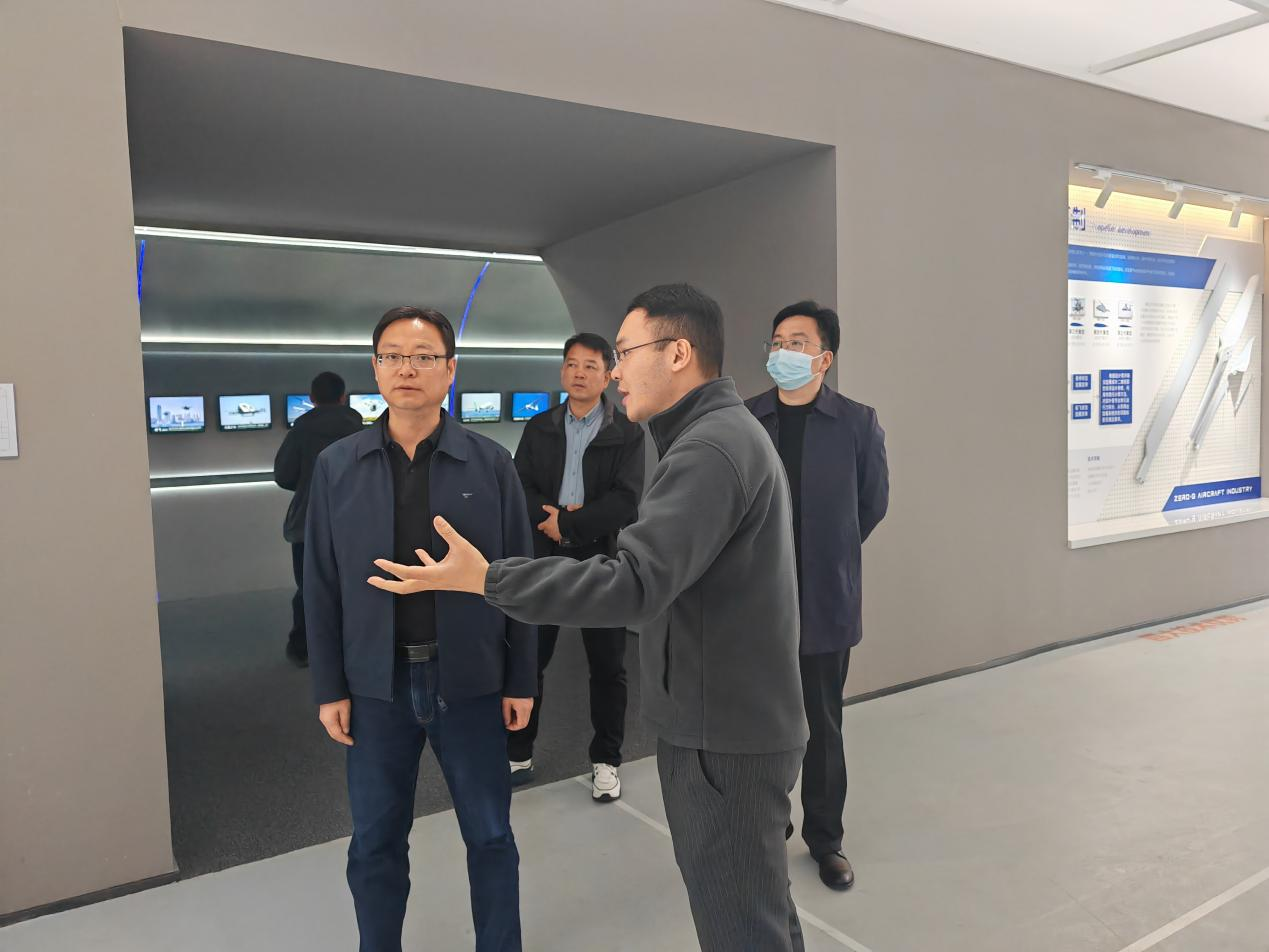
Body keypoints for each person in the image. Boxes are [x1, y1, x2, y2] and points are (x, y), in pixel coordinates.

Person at [370, 284, 810, 952]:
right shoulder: (718, 435)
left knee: (740, 925)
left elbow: (633, 583)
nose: (614, 371)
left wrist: (486, 577)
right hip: (733, 716)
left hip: (722, 732)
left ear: (677, 353)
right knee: (762, 911)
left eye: (624, 353)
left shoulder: (709, 449)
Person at [305, 306, 536, 952]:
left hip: (471, 678)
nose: (407, 368)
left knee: (490, 835)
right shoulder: (337, 466)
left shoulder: (490, 464)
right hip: (374, 685)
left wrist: (522, 678)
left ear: (450, 369)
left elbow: (520, 577)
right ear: (375, 368)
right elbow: (319, 585)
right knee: (375, 841)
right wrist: (329, 686)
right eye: (393, 356)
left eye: (424, 356)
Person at [746, 300, 889, 891]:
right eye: (777, 341)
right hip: (756, 600)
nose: (784, 351)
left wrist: (826, 554)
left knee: (823, 725)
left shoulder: (856, 422)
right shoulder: (748, 419)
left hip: (826, 599)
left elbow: (871, 504)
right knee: (760, 723)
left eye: (798, 342)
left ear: (824, 358)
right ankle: (766, 828)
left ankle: (826, 839)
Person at [509, 332, 644, 799]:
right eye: (571, 364)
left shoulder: (627, 432)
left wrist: (568, 524)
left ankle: (607, 759)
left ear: (607, 376)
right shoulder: (539, 426)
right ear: (562, 371)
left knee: (607, 665)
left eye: (590, 366)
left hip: (600, 557)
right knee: (530, 658)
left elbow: (626, 499)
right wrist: (549, 523)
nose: (579, 373)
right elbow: (520, 483)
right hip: (543, 555)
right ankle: (518, 752)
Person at [273, 371, 363, 667]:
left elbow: (284, 475)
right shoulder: (362, 432)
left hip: (308, 522)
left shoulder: (301, 430)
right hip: (355, 521)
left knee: (309, 587)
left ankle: (304, 648)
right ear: (343, 397)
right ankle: (351, 647)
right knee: (354, 585)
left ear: (312, 399)